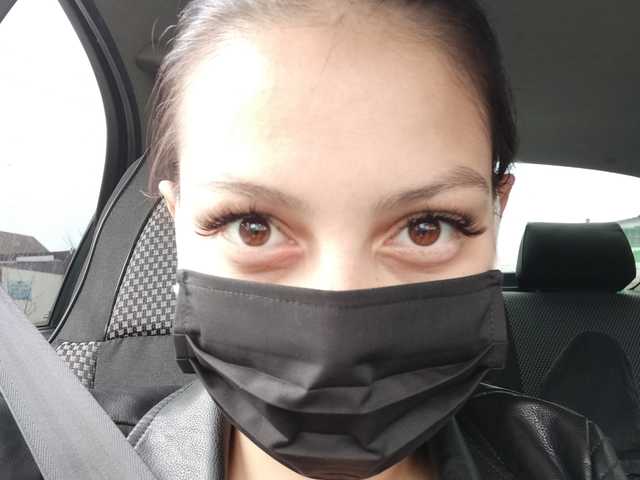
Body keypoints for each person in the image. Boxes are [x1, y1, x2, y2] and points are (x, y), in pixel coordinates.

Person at [140, 0, 626, 478]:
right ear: (177, 220)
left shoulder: (569, 462)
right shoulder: (98, 460)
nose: (337, 321)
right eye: (253, 227)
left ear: (496, 213)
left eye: (425, 228)